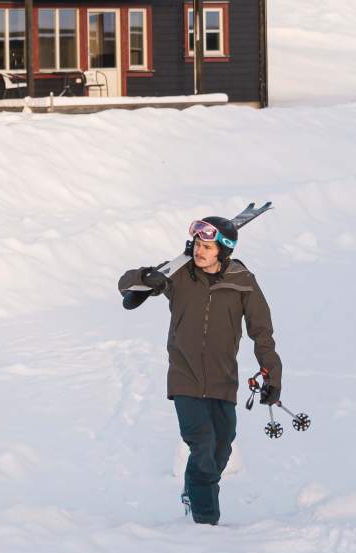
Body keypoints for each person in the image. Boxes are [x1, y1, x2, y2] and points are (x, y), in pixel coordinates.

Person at [118, 215, 282, 525]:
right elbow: (125, 283)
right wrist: (146, 276)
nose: (199, 251)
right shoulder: (179, 275)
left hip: (223, 381)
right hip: (185, 377)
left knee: (221, 447)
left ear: (223, 251)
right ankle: (205, 523)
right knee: (202, 443)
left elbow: (262, 332)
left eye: (207, 246)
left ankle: (193, 490)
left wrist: (272, 374)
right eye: (197, 244)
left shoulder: (242, 281)